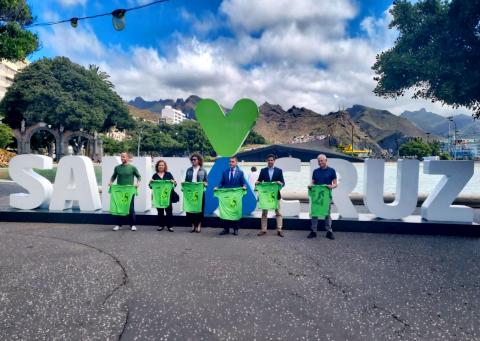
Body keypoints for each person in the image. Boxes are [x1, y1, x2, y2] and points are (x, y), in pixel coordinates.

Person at [109, 152, 141, 231]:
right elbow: (113, 176)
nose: (122, 158)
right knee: (119, 207)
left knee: (131, 208)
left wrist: (138, 183)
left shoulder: (132, 168)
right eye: (121, 157)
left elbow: (139, 176)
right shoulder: (117, 168)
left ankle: (132, 225)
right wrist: (111, 181)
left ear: (128, 158)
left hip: (129, 191)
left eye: (124, 157)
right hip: (120, 191)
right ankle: (119, 225)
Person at [215, 156, 246, 236]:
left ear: (236, 163)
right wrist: (217, 187)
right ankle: (226, 229)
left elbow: (243, 183)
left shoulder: (240, 172)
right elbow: (222, 183)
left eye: (232, 162)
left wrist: (244, 186)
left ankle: (236, 229)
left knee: (235, 212)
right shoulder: (225, 172)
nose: (231, 163)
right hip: (226, 196)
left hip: (235, 196)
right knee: (226, 211)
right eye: (230, 162)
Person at [308, 154, 337, 240]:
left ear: (326, 160)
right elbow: (313, 183)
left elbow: (335, 184)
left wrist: (332, 186)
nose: (320, 162)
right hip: (316, 195)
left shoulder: (332, 171)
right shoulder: (315, 171)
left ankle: (329, 231)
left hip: (326, 196)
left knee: (327, 213)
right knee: (315, 213)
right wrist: (310, 186)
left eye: (321, 161)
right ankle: (313, 231)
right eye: (319, 161)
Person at [256, 154, 285, 237]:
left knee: (278, 213)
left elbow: (283, 183)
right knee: (264, 213)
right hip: (265, 196)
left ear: (274, 161)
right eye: (268, 160)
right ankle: (263, 230)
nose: (270, 161)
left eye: (271, 160)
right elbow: (259, 181)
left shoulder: (279, 171)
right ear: (266, 161)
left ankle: (279, 229)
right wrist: (257, 182)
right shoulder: (263, 170)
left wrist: (281, 183)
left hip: (276, 195)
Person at [184, 153, 208, 233]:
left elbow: (206, 182)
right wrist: (184, 185)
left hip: (200, 192)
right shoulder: (188, 170)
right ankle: (193, 225)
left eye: (194, 159)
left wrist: (205, 184)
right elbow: (186, 181)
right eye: (192, 159)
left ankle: (199, 225)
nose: (193, 161)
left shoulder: (203, 170)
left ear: (199, 160)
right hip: (190, 192)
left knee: (200, 209)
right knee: (190, 208)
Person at [150, 159, 176, 232]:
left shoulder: (168, 174)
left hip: (167, 197)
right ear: (157, 166)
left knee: (169, 211)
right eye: (159, 165)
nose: (161, 166)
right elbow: (151, 186)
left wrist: (173, 182)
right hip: (158, 197)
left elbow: (175, 185)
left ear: (165, 166)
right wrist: (150, 182)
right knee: (160, 212)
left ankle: (170, 226)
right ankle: (161, 225)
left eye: (162, 165)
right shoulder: (155, 176)